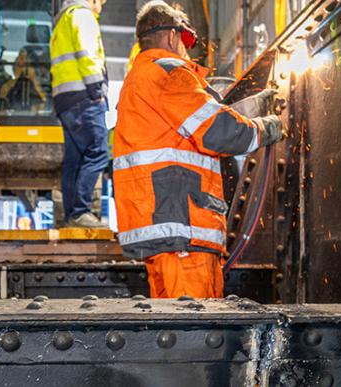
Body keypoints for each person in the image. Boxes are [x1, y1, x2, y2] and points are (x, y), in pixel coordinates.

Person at [113, 1, 284, 298]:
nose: (187, 50)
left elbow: (192, 125)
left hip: (160, 231)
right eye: (185, 42)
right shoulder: (168, 73)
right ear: (171, 37)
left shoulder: (137, 81)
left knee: (171, 334)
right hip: (183, 229)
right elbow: (220, 133)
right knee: (197, 335)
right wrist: (269, 127)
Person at [50, 0, 109, 228]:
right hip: (84, 97)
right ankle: (81, 212)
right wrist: (97, 90)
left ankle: (70, 216)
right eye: (100, 2)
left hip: (65, 101)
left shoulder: (62, 22)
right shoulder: (82, 16)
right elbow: (87, 54)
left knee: (74, 160)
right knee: (98, 153)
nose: (100, 8)